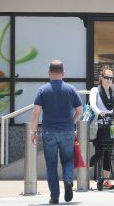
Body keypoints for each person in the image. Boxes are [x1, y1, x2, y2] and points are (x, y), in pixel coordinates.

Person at [31, 60, 83, 204]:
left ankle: (54, 197)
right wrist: (72, 121)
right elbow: (80, 110)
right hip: (67, 131)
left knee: (51, 165)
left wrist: (33, 132)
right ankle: (67, 182)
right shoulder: (71, 89)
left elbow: (35, 113)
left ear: (49, 73)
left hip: (48, 132)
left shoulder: (42, 90)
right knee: (67, 160)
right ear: (63, 73)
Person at [89, 68, 114, 188]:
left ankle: (106, 180)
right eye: (106, 77)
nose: (108, 80)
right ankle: (88, 165)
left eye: (111, 78)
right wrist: (99, 112)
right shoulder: (95, 90)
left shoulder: (113, 91)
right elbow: (92, 104)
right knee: (100, 152)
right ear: (101, 78)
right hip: (99, 124)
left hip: (111, 124)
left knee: (109, 152)